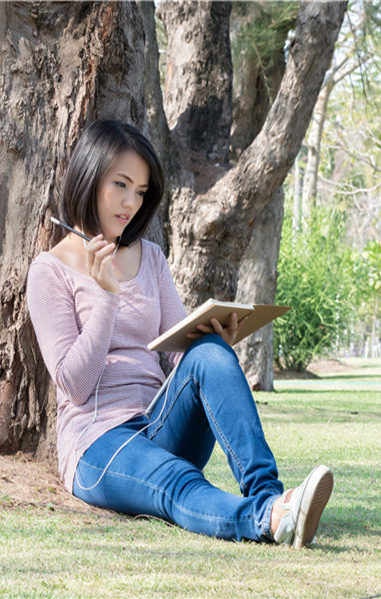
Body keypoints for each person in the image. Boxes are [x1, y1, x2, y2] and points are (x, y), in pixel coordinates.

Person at [26, 119, 333, 546]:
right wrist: (107, 298)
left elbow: (176, 353)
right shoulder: (49, 271)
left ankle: (272, 496)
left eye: (141, 192)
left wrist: (214, 345)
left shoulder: (150, 257)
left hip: (158, 420)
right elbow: (74, 385)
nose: (130, 202)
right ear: (90, 176)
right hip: (97, 444)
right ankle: (267, 519)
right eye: (121, 184)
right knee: (176, 479)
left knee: (207, 351)